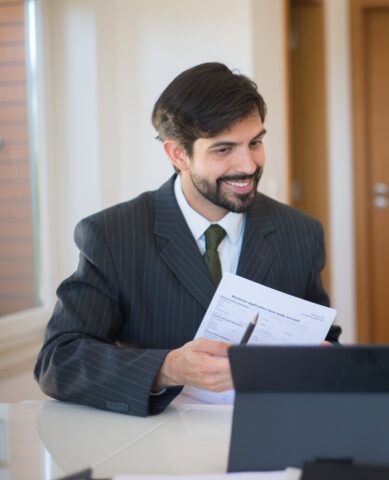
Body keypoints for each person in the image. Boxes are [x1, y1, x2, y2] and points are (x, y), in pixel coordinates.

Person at [35, 62, 337, 416]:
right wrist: (166, 369)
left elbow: (325, 340)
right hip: (156, 451)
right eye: (224, 150)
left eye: (255, 143)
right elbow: (58, 361)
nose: (249, 165)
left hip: (268, 436)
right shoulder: (112, 235)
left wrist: (326, 361)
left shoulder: (300, 232)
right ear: (178, 154)